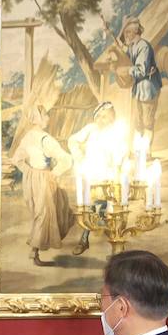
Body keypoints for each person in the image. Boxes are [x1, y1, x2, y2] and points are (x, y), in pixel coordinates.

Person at [12, 104, 75, 266]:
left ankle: (37, 249)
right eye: (45, 115)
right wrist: (54, 173)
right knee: (44, 213)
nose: (47, 118)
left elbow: (17, 159)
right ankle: (34, 252)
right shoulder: (45, 139)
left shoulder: (27, 137)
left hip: (32, 178)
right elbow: (66, 159)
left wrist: (28, 171)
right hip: (43, 178)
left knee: (54, 210)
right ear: (38, 119)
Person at [68, 102, 119, 257]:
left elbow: (120, 152)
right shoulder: (90, 129)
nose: (102, 120)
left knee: (107, 207)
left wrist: (115, 161)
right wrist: (79, 155)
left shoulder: (115, 133)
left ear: (112, 119)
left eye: (106, 117)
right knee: (90, 207)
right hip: (92, 174)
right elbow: (72, 140)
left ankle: (114, 240)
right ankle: (84, 239)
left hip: (108, 175)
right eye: (100, 116)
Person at [121, 19, 164, 142]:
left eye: (128, 32)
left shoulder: (144, 46)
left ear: (136, 31)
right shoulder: (132, 47)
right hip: (138, 89)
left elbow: (141, 70)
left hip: (148, 88)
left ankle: (146, 153)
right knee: (137, 122)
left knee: (147, 122)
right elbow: (127, 59)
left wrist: (127, 70)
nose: (126, 35)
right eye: (125, 33)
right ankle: (138, 151)